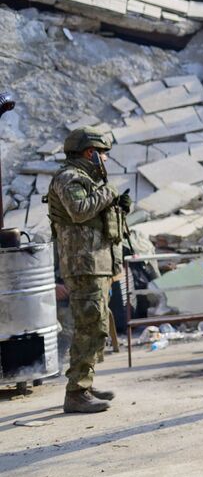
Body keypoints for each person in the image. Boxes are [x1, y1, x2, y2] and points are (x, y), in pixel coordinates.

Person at [47, 127, 128, 413]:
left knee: (97, 327)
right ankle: (76, 393)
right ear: (90, 153)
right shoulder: (69, 177)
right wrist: (108, 193)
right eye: (103, 154)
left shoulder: (87, 180)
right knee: (88, 327)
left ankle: (86, 383)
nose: (105, 160)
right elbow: (79, 210)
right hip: (83, 265)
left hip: (97, 265)